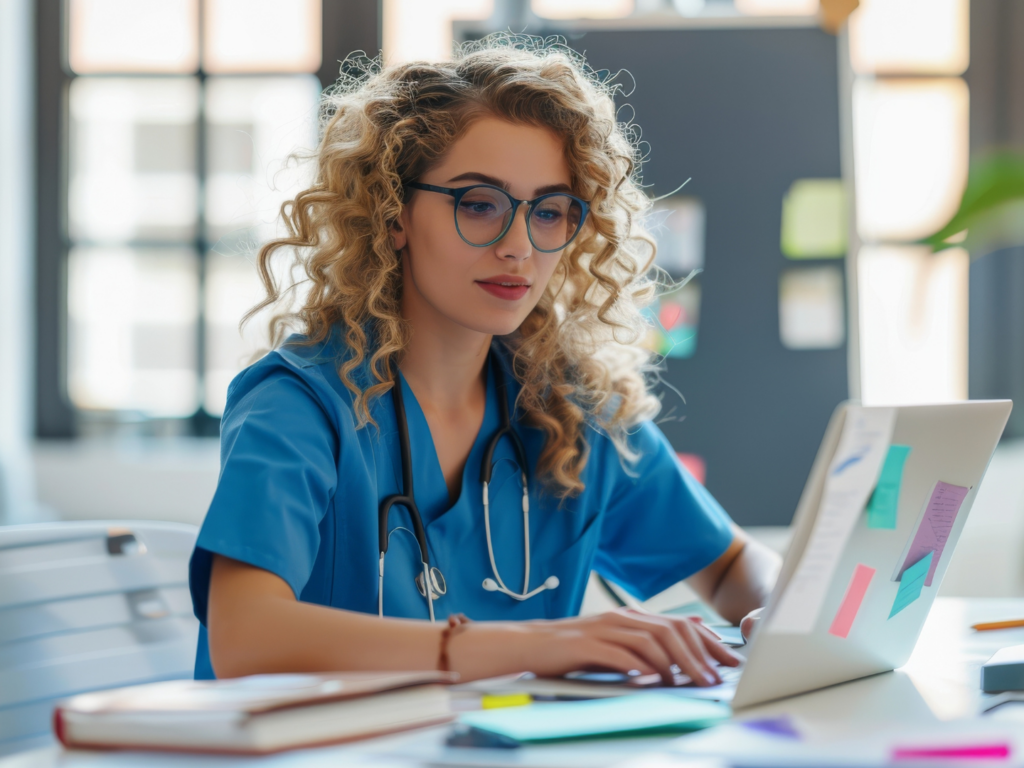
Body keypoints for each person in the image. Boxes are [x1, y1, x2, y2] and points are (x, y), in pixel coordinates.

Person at [189, 35, 781, 687]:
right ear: (394, 215)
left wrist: (782, 609)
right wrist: (533, 643)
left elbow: (727, 566)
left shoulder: (568, 409)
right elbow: (244, 637)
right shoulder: (299, 404)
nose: (518, 246)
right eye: (479, 204)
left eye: (549, 212)